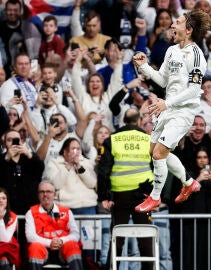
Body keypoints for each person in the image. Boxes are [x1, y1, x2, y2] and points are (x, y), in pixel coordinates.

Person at [132, 9, 211, 213]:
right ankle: (189, 182)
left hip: (183, 112)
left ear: (189, 29)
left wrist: (166, 104)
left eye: (177, 22)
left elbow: (194, 89)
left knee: (159, 154)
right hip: (169, 108)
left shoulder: (196, 55)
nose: (172, 25)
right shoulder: (171, 50)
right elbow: (163, 80)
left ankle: (155, 197)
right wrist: (145, 67)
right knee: (154, 151)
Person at [97, 108, 154, 270]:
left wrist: (104, 196)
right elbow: (157, 167)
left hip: (119, 195)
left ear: (124, 121)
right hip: (143, 196)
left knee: (117, 239)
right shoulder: (148, 139)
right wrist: (156, 194)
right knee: (145, 241)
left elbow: (103, 171)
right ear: (138, 121)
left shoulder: (112, 140)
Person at [25, 181, 83, 270]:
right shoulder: (31, 212)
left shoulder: (66, 211)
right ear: (38, 195)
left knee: (73, 245)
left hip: (63, 250)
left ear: (54, 194)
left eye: (48, 191)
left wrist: (61, 241)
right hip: (43, 250)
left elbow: (75, 235)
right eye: (42, 192)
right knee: (34, 247)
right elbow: (30, 236)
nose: (45, 194)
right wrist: (50, 243)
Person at [42, 138, 98, 215]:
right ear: (65, 151)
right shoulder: (54, 163)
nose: (76, 152)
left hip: (86, 205)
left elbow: (92, 183)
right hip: (65, 206)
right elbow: (56, 185)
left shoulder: (86, 162)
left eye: (78, 149)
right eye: (73, 149)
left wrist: (79, 167)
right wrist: (68, 166)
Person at [0, 129, 44, 215]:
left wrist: (29, 154)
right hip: (7, 208)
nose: (13, 143)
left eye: (16, 139)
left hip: (29, 207)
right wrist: (6, 159)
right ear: (5, 144)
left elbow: (40, 169)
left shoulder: (30, 157)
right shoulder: (1, 159)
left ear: (21, 141)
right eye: (9, 140)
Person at [0, 187, 20, 270]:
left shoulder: (13, 216)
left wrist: (0, 219)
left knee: (4, 259)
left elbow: (5, 239)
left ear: (7, 201)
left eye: (3, 198)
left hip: (6, 246)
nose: (0, 200)